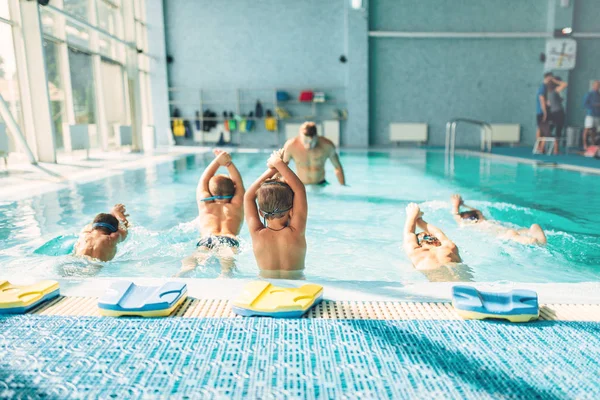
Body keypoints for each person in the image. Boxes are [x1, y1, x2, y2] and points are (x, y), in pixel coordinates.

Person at [178, 149, 245, 277]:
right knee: (227, 268)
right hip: (228, 239)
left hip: (207, 238)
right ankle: (225, 275)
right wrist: (229, 164)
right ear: (234, 191)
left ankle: (182, 272)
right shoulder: (236, 205)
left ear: (211, 192)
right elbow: (239, 183)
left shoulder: (205, 204)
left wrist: (217, 161)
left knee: (194, 259)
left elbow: (203, 181)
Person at [244, 149, 308, 279]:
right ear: (291, 210)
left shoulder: (256, 233)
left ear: (261, 213)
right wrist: (278, 163)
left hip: (266, 286)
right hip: (297, 285)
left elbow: (248, 196)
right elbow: (300, 189)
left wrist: (273, 169)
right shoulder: (296, 231)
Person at [450, 194, 547, 245]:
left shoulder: (470, 224)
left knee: (512, 235)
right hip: (503, 229)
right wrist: (463, 204)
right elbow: (477, 211)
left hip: (503, 234)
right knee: (522, 231)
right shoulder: (484, 220)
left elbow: (456, 216)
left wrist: (456, 205)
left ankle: (533, 241)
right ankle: (534, 236)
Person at [403, 203, 462, 273]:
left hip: (438, 284)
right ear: (438, 241)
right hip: (467, 283)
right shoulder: (450, 247)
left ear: (419, 244)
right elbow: (438, 233)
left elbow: (409, 233)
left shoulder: (416, 253)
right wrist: (420, 220)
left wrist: (412, 214)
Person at [547, 76, 568, 154]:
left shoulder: (548, 92)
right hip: (559, 112)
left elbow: (549, 103)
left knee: (551, 130)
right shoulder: (555, 90)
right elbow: (565, 84)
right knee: (558, 130)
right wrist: (555, 80)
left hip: (552, 112)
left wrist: (559, 100)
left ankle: (542, 148)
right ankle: (556, 150)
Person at [535, 73, 554, 153]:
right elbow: (541, 99)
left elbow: (544, 100)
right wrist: (545, 112)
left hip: (540, 112)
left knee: (540, 129)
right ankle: (541, 148)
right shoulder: (543, 87)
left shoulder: (544, 88)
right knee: (546, 131)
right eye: (551, 79)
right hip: (542, 112)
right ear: (548, 78)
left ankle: (538, 147)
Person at [582, 80, 600, 150]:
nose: (597, 86)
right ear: (593, 86)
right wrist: (595, 105)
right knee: (587, 129)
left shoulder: (599, 95)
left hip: (597, 115)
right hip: (590, 114)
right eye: (596, 85)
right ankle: (585, 144)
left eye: (599, 85)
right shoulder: (589, 94)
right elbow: (584, 104)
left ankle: (593, 144)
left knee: (594, 130)